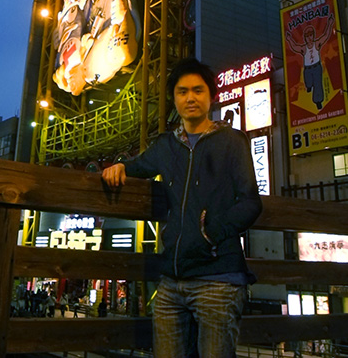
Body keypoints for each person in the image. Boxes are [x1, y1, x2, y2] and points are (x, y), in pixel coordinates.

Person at [102, 58, 262, 358]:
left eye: (198, 91)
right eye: (182, 91)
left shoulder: (231, 141)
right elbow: (138, 165)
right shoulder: (166, 145)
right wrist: (120, 166)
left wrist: (210, 234)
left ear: (211, 96)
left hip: (218, 278)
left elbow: (251, 201)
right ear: (174, 98)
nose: (190, 98)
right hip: (171, 282)